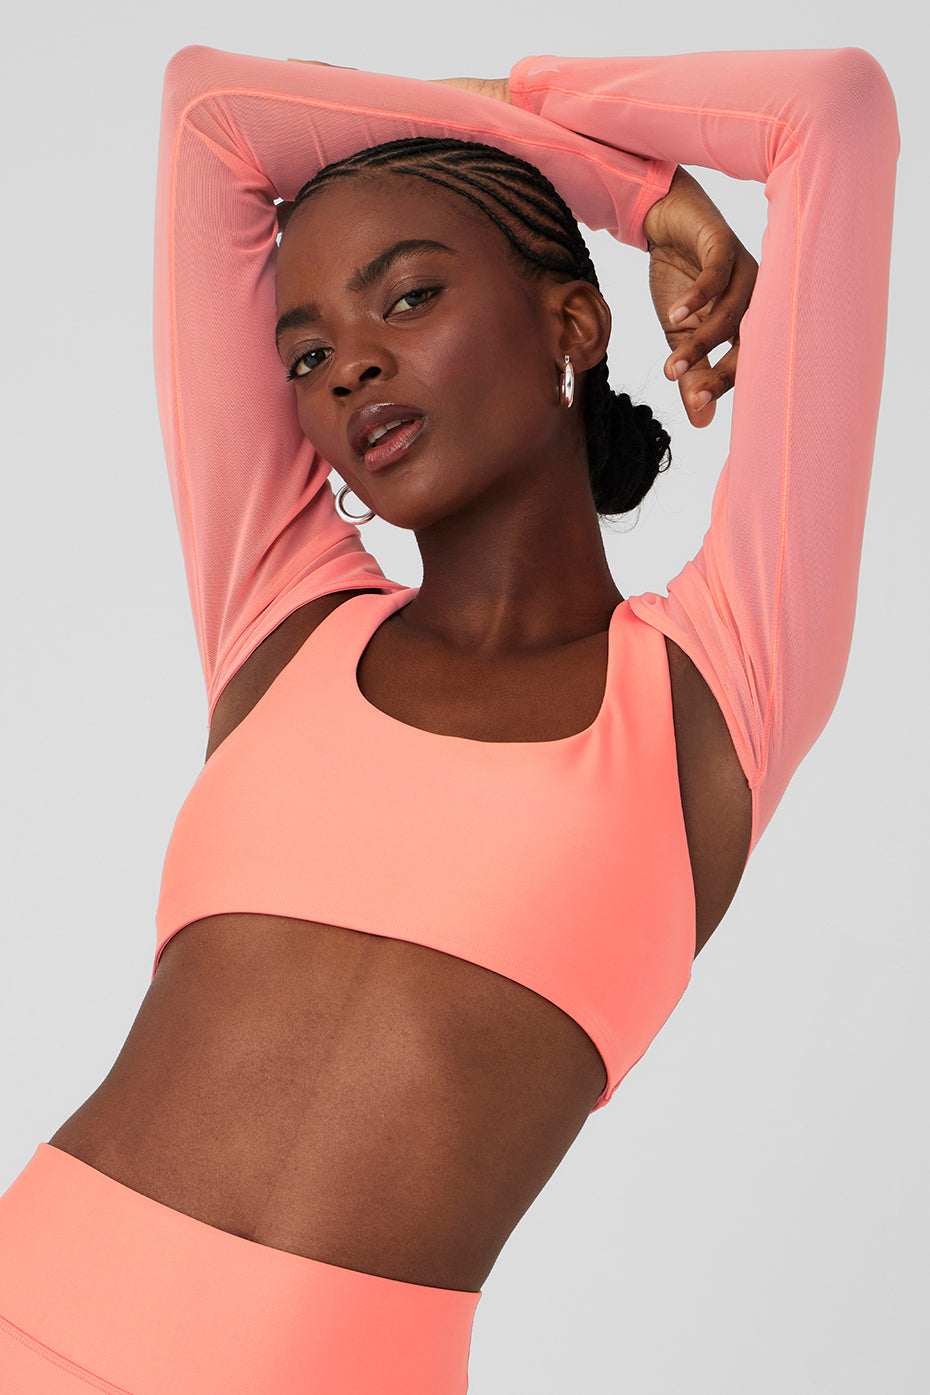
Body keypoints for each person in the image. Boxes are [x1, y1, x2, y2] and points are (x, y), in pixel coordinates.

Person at [0, 42, 898, 1395]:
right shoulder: (282, 614)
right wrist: (637, 193)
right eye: (308, 353)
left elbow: (828, 113)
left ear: (573, 325)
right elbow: (211, 117)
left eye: (409, 297)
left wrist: (595, 167)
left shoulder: (714, 691)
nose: (348, 368)